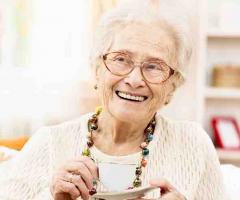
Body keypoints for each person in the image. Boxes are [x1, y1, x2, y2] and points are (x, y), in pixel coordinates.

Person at [0, 1, 227, 200]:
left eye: (153, 66)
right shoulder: (48, 143)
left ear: (172, 86)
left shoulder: (194, 145)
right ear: (97, 70)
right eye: (121, 59)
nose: (135, 79)